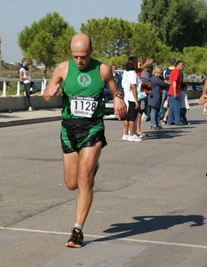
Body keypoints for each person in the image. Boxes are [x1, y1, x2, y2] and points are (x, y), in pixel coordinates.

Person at [43, 33, 126, 248]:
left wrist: (118, 99)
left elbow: (117, 91)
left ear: (91, 51)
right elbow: (47, 92)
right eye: (75, 56)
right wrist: (49, 92)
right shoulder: (62, 69)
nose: (79, 60)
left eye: (83, 56)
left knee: (84, 178)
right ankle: (92, 168)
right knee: (71, 184)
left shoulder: (103, 69)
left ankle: (77, 230)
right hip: (69, 129)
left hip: (93, 128)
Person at [122, 57, 142, 141]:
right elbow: (133, 86)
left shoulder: (125, 72)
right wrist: (136, 100)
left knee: (128, 116)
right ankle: (132, 134)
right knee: (132, 117)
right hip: (133, 97)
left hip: (128, 96)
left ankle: (126, 134)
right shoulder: (132, 73)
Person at [149, 66, 169, 130]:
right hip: (155, 96)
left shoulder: (153, 78)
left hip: (156, 95)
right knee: (154, 110)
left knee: (157, 111)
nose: (160, 74)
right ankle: (153, 124)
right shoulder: (155, 79)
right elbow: (163, 84)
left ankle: (157, 124)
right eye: (160, 73)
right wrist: (167, 82)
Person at [167, 61, 185, 125]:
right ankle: (178, 121)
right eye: (181, 65)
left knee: (171, 107)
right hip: (174, 92)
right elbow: (174, 82)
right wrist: (175, 92)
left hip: (171, 92)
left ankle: (170, 121)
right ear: (177, 65)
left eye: (183, 65)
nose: (182, 66)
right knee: (176, 107)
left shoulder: (174, 72)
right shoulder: (176, 72)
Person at [161, 59, 176, 123]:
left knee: (164, 104)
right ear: (175, 63)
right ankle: (168, 118)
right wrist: (170, 83)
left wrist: (168, 82)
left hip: (166, 89)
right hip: (169, 90)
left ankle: (164, 117)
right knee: (171, 105)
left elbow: (163, 79)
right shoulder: (176, 70)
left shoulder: (165, 70)